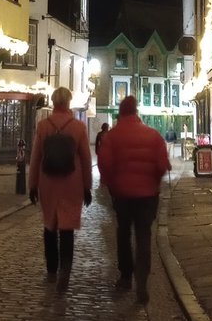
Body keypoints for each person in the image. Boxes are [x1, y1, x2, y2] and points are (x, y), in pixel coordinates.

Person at [97, 95, 171, 306]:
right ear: (136, 111)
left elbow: (105, 164)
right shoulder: (153, 135)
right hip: (147, 195)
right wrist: (154, 181)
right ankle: (142, 280)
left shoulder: (112, 137)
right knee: (144, 236)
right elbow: (162, 164)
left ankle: (126, 276)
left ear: (120, 112)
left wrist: (110, 184)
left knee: (123, 232)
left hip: (122, 194)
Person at [28, 86, 93, 292]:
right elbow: (85, 158)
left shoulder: (43, 125)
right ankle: (66, 269)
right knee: (67, 229)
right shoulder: (78, 127)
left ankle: (52, 270)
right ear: (68, 102)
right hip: (71, 182)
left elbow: (36, 157)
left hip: (48, 182)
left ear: (54, 102)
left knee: (50, 226)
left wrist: (32, 185)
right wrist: (87, 187)